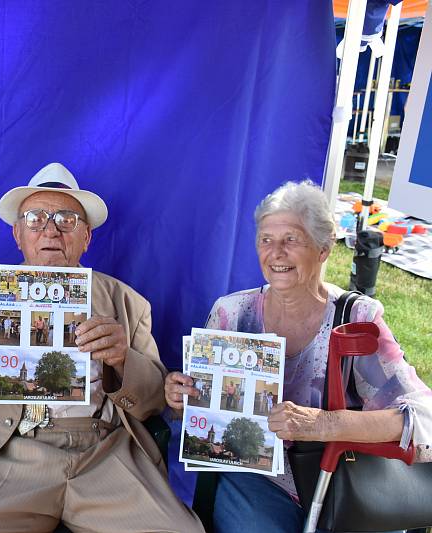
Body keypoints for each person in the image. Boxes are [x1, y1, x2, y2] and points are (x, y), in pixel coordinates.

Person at [0, 162, 203, 533]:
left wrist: (122, 360)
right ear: (18, 234)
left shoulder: (126, 301)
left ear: (86, 237)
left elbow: (154, 400)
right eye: (35, 219)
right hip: (10, 449)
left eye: (66, 220)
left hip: (103, 454)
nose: (50, 230)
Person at [164, 181, 432, 533]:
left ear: (323, 250)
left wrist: (322, 424)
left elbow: (422, 418)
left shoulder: (356, 319)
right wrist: (180, 398)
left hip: (338, 478)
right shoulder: (232, 313)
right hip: (257, 479)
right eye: (266, 240)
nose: (276, 253)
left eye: (291, 240)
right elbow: (201, 415)